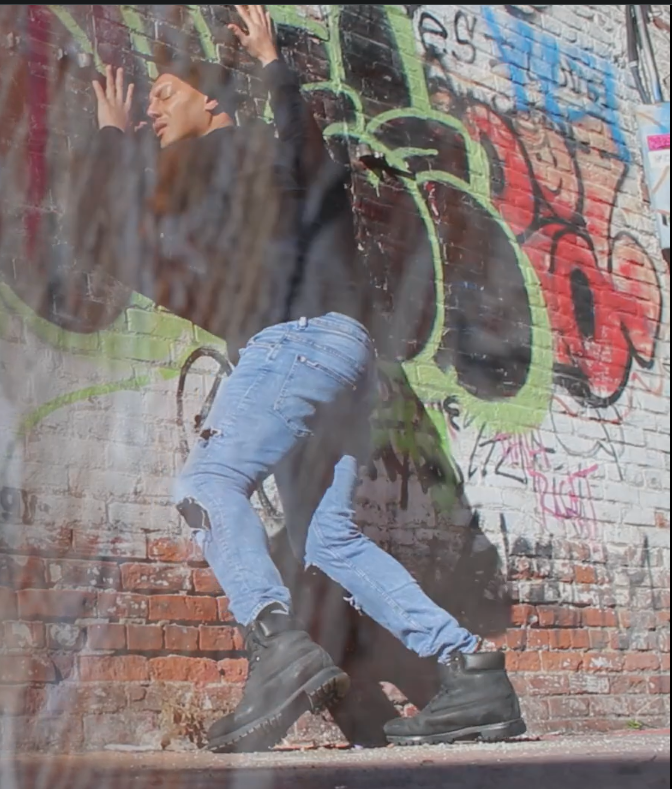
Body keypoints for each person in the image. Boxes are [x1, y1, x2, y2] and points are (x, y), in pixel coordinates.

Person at [92, 6, 524, 753]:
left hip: (296, 345)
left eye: (165, 92)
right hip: (346, 363)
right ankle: (469, 669)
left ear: (213, 102)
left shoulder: (240, 156)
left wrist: (261, 64)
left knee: (205, 482)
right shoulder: (246, 174)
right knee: (330, 539)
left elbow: (121, 221)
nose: (153, 105)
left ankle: (274, 641)